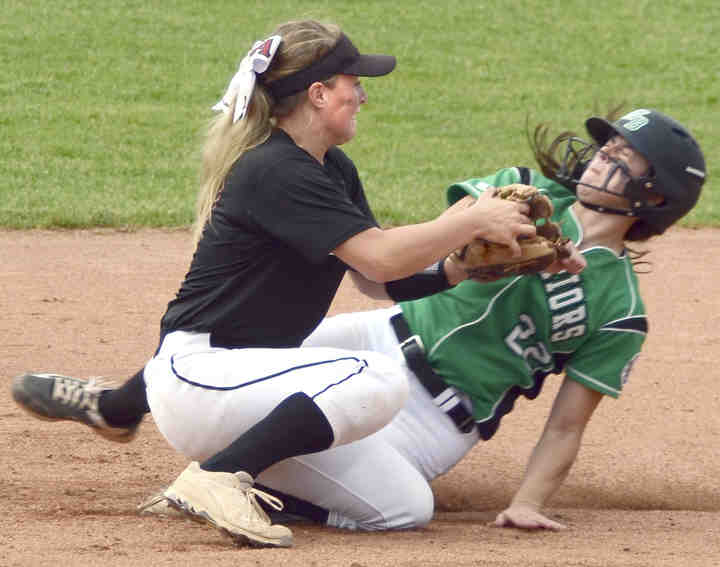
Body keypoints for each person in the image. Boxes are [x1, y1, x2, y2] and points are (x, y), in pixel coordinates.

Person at [10, 19, 546, 548]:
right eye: (352, 84)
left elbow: (377, 280)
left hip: (248, 389)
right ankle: (218, 476)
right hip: (200, 380)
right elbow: (380, 258)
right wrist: (468, 220)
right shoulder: (274, 170)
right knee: (378, 377)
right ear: (318, 94)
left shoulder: (331, 169)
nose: (362, 95)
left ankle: (215, 480)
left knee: (402, 506)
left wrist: (461, 268)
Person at [130, 106, 708, 531]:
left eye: (621, 158)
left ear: (654, 198)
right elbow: (445, 235)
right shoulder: (528, 191)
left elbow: (566, 425)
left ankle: (243, 474)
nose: (600, 157)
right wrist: (512, 237)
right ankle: (119, 405)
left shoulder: (621, 312)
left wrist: (526, 501)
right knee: (248, 339)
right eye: (605, 147)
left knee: (405, 510)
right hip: (375, 336)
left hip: (433, 422)